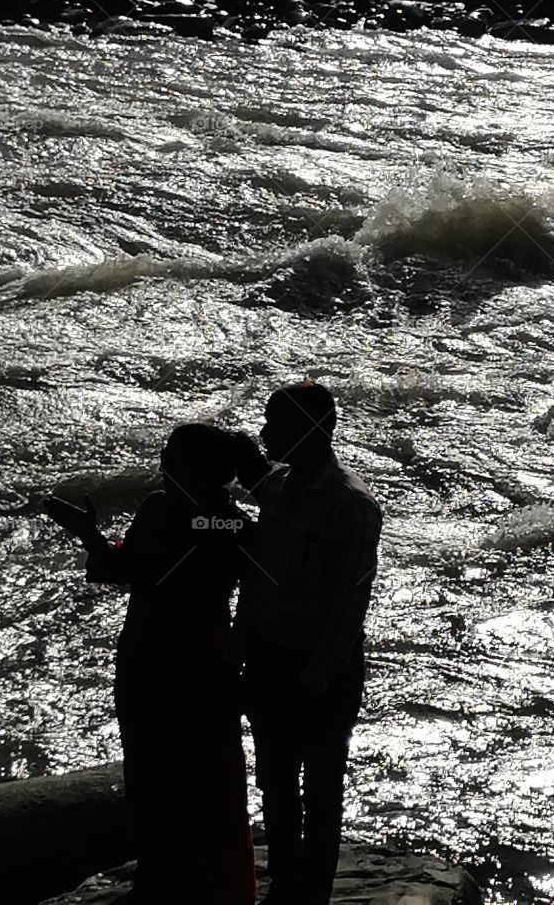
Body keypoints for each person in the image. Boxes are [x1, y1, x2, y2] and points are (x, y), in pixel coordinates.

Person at [43, 423, 257, 905]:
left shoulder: (164, 512)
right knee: (212, 776)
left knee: (152, 771)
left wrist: (92, 539)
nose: (161, 465)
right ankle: (221, 885)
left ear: (193, 469)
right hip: (206, 656)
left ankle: (161, 880)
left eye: (171, 458)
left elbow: (127, 569)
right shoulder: (236, 525)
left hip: (151, 655)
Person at [229, 380, 383, 905]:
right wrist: (239, 650)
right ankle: (284, 886)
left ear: (318, 430)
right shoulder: (274, 490)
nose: (267, 432)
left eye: (279, 424)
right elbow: (254, 579)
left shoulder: (351, 505)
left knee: (320, 788)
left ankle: (311, 893)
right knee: (274, 781)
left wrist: (313, 679)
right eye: (269, 422)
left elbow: (349, 607)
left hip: (325, 672)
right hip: (269, 661)